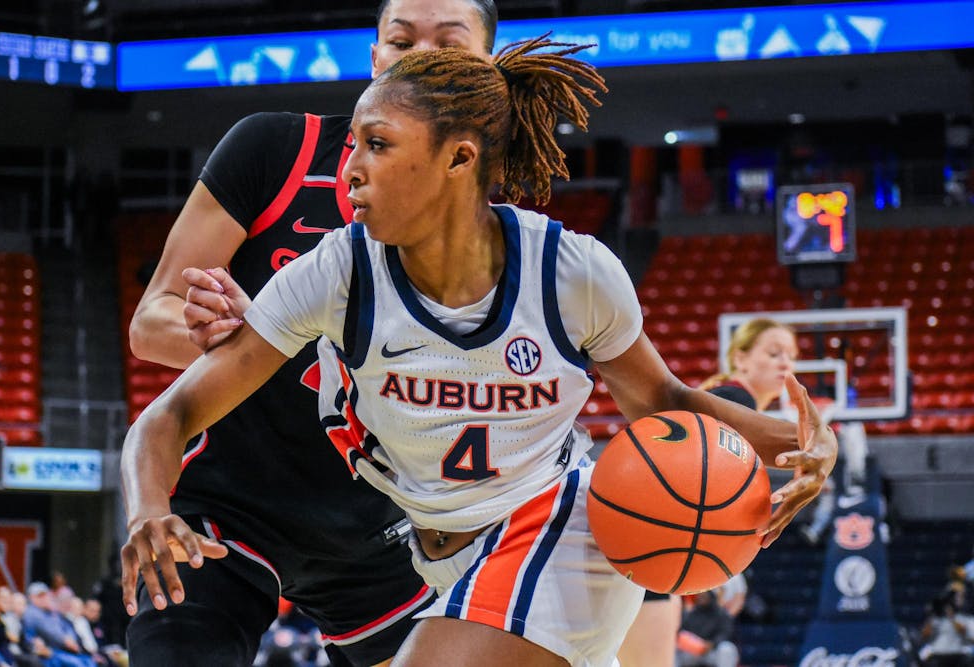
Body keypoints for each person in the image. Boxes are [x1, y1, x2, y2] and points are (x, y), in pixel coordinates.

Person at [121, 38, 837, 667]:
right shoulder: (335, 270)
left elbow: (669, 404)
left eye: (377, 144)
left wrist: (806, 441)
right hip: (431, 558)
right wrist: (149, 506)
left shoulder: (572, 273)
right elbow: (171, 412)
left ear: (459, 157)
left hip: (554, 529)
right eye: (352, 148)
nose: (351, 170)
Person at [120, 2, 499, 666]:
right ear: (374, 56)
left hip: (383, 528)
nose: (419, 55)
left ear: (486, 68)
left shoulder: (501, 235)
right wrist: (231, 335)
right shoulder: (276, 149)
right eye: (401, 39)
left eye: (449, 42)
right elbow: (151, 323)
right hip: (230, 503)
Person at [619, 318, 798, 665]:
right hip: (651, 549)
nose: (785, 363)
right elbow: (695, 493)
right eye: (774, 352)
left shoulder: (730, 403)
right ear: (740, 358)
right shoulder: (735, 400)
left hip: (653, 549)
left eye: (791, 356)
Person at [675, 590, 740, 667]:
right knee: (673, 648)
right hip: (692, 651)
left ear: (711, 597)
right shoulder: (691, 614)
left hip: (712, 651)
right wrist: (694, 644)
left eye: (704, 596)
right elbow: (682, 633)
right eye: (700, 596)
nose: (701, 598)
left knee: (727, 648)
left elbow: (725, 633)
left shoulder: (721, 614)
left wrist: (712, 644)